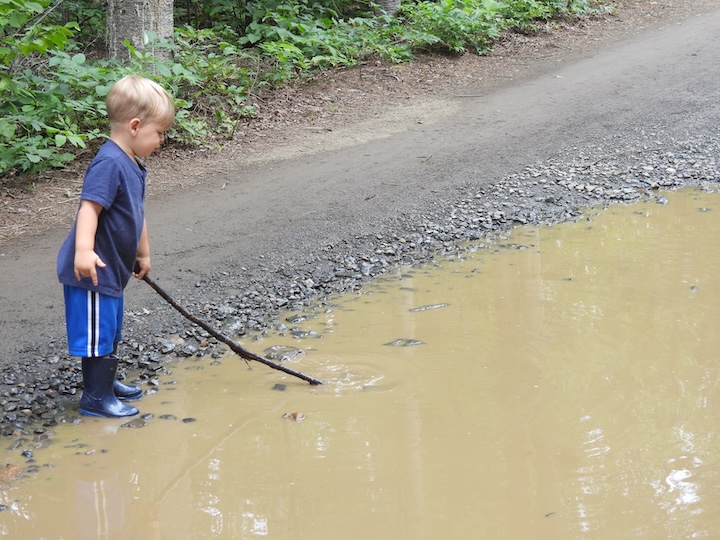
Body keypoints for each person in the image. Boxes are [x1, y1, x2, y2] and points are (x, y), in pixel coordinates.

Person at [57, 75, 175, 418]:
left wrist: (143, 252)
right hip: (92, 270)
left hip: (114, 269)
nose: (162, 140)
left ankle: (106, 385)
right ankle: (95, 398)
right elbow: (89, 208)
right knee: (96, 332)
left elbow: (137, 213)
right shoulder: (109, 162)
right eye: (159, 133)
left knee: (110, 329)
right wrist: (83, 251)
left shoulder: (133, 164)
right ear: (135, 126)